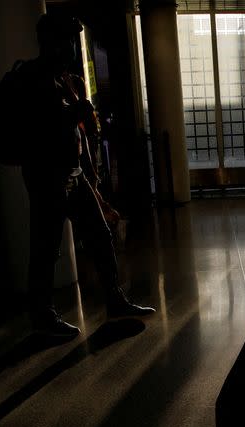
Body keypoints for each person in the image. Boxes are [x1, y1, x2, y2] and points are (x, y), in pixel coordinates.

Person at [16, 13, 154, 339]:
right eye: (65, 41)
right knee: (45, 249)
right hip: (47, 178)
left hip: (74, 174)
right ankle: (43, 315)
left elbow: (81, 138)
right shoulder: (33, 80)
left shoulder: (67, 80)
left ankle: (114, 298)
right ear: (50, 43)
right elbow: (38, 132)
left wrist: (93, 180)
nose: (70, 49)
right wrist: (69, 116)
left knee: (100, 235)